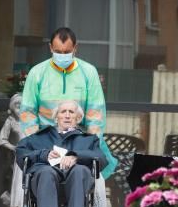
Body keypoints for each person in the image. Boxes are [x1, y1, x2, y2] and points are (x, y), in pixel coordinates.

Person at [16, 100, 107, 207]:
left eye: (71, 112)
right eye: (63, 111)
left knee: (80, 170)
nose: (67, 115)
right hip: (45, 182)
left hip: (76, 182)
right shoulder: (40, 137)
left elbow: (101, 159)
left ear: (78, 118)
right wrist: (44, 155)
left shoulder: (88, 140)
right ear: (56, 116)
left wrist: (76, 156)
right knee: (45, 171)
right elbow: (21, 154)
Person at [19, 26, 116, 177]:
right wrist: (38, 146)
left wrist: (88, 147)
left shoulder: (88, 72)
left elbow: (95, 113)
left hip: (79, 140)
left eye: (66, 52)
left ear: (75, 48)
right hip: (46, 140)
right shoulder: (37, 73)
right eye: (58, 52)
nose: (62, 55)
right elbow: (27, 112)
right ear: (50, 47)